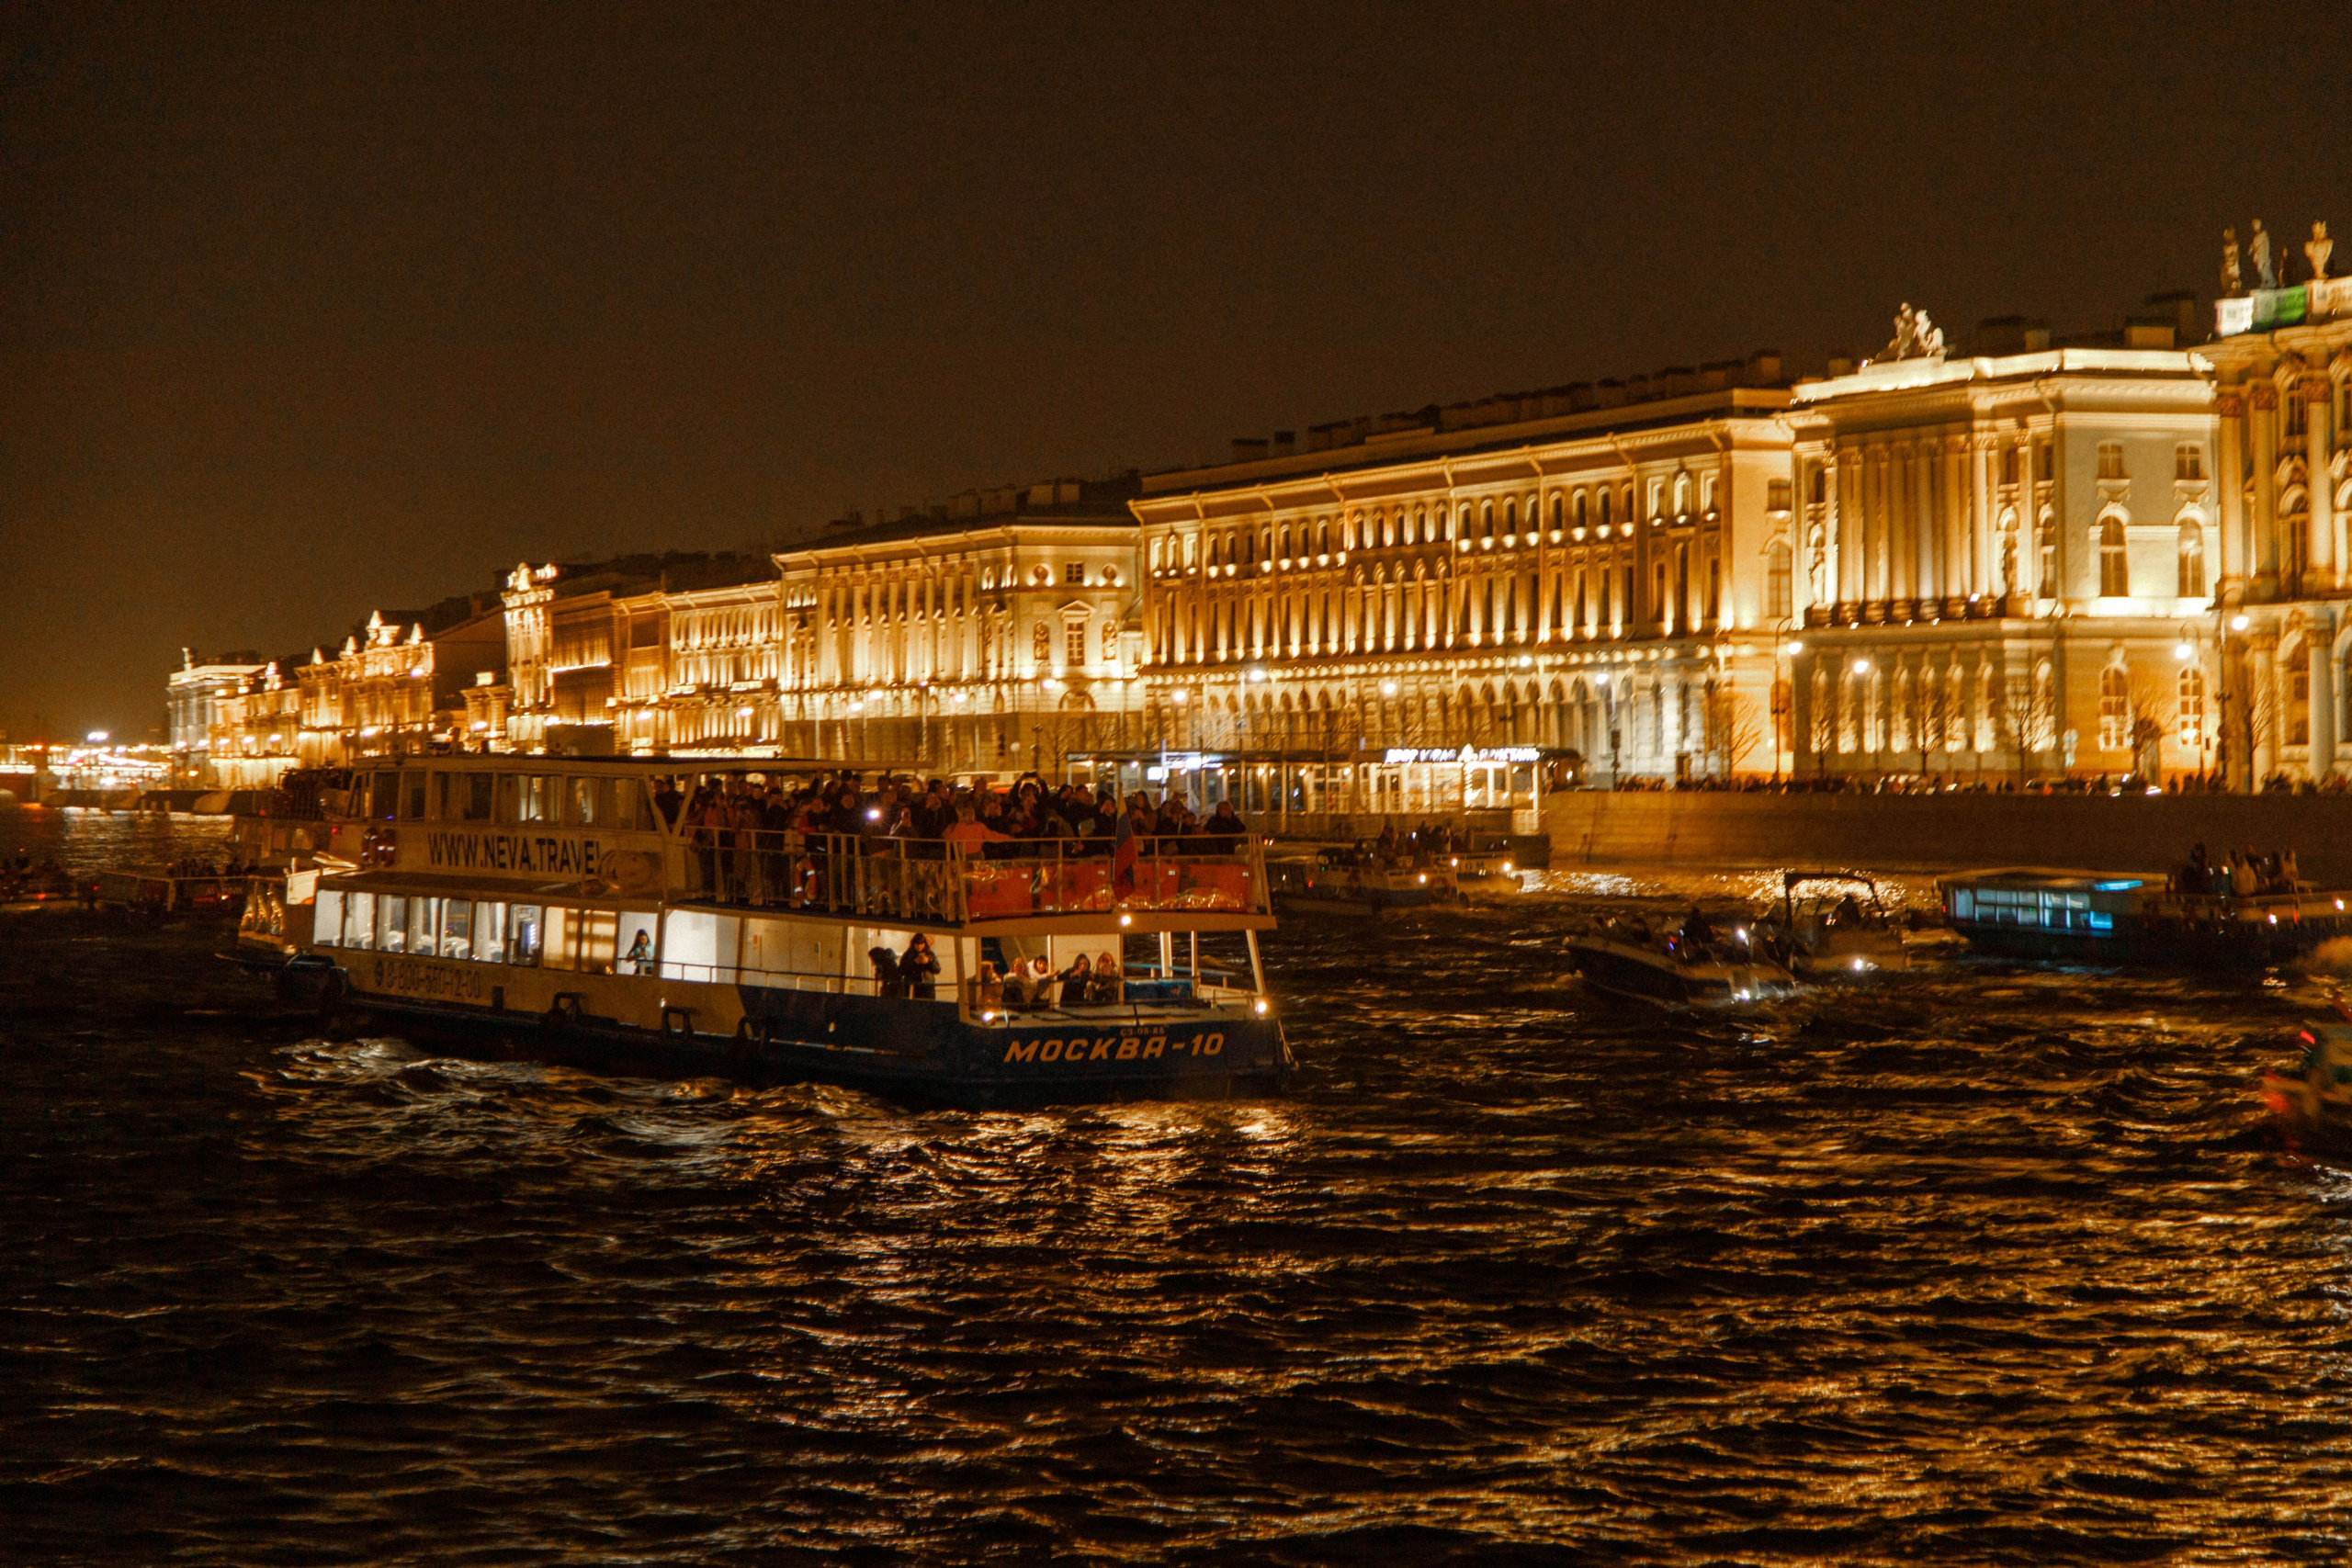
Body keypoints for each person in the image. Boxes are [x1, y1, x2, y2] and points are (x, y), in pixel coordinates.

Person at [901, 934, 942, 1000]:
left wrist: (928, 962)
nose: (919, 947)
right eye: (917, 944)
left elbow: (937, 969)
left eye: (921, 944)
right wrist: (914, 962)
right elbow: (901, 970)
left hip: (928, 987)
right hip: (913, 987)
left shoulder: (930, 954)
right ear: (913, 944)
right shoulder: (908, 954)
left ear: (925, 944)